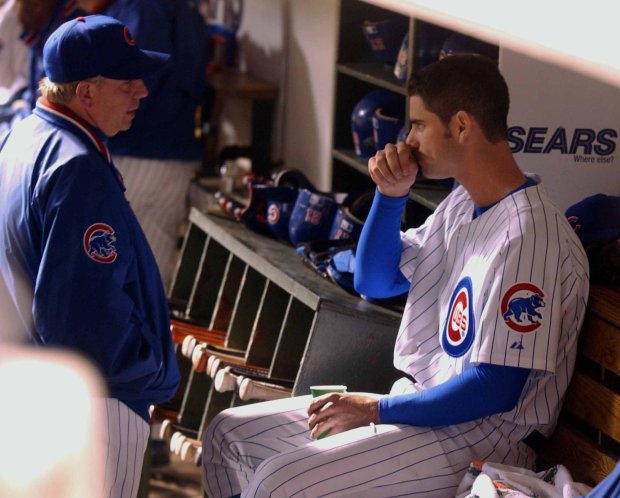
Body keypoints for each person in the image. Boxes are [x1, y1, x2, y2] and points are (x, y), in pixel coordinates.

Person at [200, 55, 590, 498]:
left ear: (461, 126)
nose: (408, 140)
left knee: (278, 484)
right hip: (422, 413)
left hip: (484, 440)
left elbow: (496, 388)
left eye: (419, 124)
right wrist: (390, 197)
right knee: (227, 436)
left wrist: (376, 410)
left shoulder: (530, 234)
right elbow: (375, 281)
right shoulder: (463, 204)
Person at [0, 15, 180, 498]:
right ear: (85, 93)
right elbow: (83, 325)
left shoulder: (23, 136)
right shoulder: (77, 167)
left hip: (31, 386)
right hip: (93, 401)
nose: (142, 91)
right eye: (126, 82)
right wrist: (148, 366)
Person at [75, 0, 209, 289]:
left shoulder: (143, 8)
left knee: (121, 276)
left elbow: (134, 87)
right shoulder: (155, 7)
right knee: (144, 274)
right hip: (164, 151)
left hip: (143, 154)